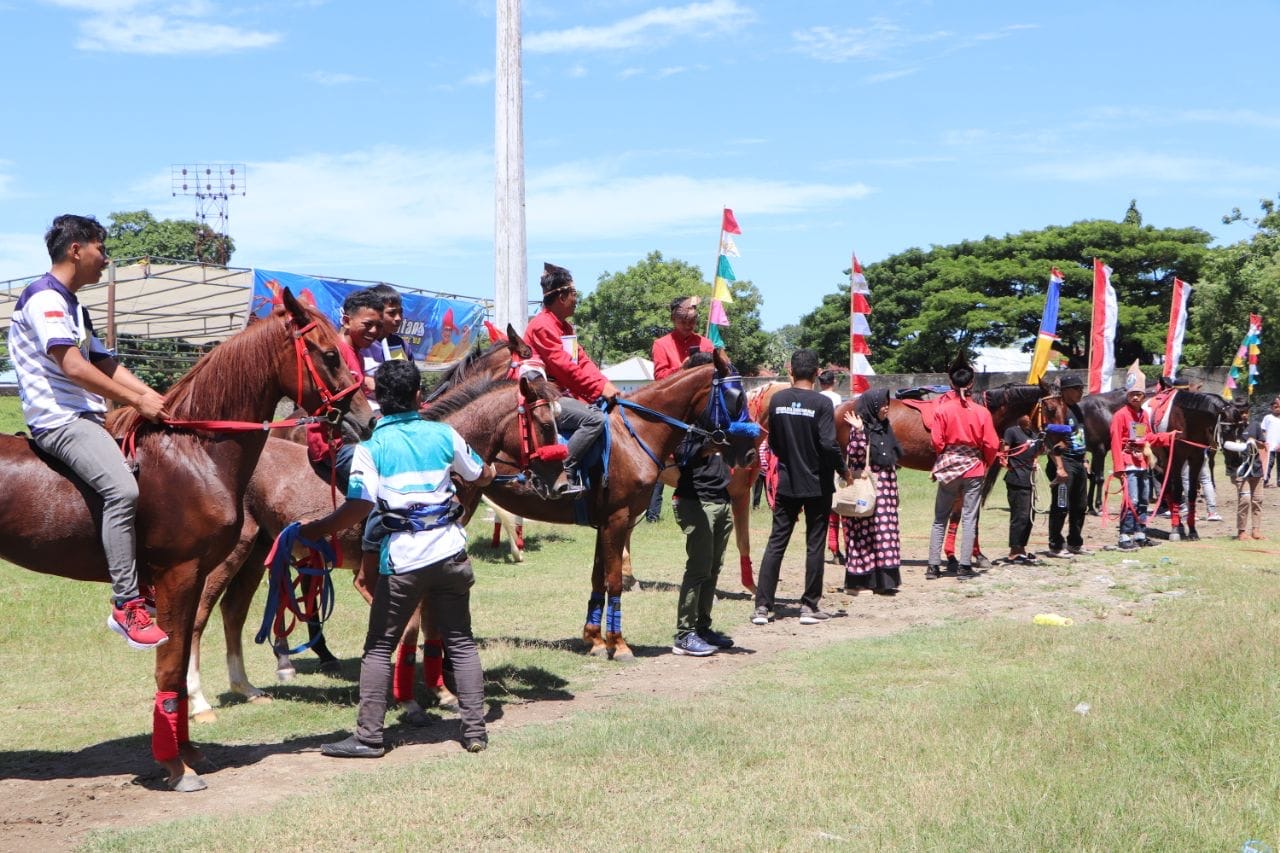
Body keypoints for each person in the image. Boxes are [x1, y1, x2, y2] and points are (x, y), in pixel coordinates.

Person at [303, 359, 496, 757]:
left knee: (378, 647)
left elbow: (359, 506)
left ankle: (369, 737)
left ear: (378, 402)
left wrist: (315, 531)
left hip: (405, 562)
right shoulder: (445, 434)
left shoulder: (370, 449)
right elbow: (479, 475)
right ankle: (474, 731)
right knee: (461, 641)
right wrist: (492, 472)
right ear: (419, 397)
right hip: (450, 555)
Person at [8, 214, 172, 649]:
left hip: (88, 416)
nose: (106, 259)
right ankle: (127, 604)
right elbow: (73, 366)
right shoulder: (45, 299)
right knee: (123, 492)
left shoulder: (74, 304)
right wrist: (136, 402)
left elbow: (104, 362)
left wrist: (156, 396)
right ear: (76, 249)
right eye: (101, 248)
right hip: (61, 421)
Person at [751, 349, 848, 625]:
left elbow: (775, 444)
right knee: (814, 545)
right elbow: (828, 444)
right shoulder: (822, 403)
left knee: (776, 543)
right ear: (817, 373)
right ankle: (809, 607)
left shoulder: (778, 400)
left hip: (787, 481)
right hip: (817, 483)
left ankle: (762, 606)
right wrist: (843, 470)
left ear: (790, 371)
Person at [523, 263, 621, 495]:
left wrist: (606, 385)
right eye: (574, 294)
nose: (577, 299)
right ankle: (564, 469)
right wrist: (599, 389)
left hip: (559, 395)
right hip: (542, 399)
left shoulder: (564, 327)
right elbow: (566, 368)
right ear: (561, 296)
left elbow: (583, 361)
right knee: (594, 420)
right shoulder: (542, 326)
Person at [664, 354, 735, 655]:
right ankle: (684, 634)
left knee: (713, 569)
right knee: (698, 568)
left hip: (721, 499)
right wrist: (707, 447)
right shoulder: (683, 419)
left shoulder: (717, 414)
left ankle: (703, 628)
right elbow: (679, 455)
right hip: (696, 500)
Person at [926, 353, 999, 580]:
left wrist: (949, 456)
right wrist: (984, 460)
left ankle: (933, 567)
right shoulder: (982, 412)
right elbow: (992, 444)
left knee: (940, 517)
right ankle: (965, 567)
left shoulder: (942, 410)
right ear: (971, 384)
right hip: (974, 468)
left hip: (949, 467)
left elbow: (936, 442)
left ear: (950, 383)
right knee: (969, 517)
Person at [647, 295, 716, 521]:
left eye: (692, 321)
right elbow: (659, 380)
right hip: (672, 411)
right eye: (683, 321)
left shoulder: (706, 344)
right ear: (673, 319)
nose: (688, 326)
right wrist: (682, 368)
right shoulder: (661, 344)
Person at [306, 289, 382, 491]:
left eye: (378, 326)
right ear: (347, 321)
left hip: (353, 438)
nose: (374, 331)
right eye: (368, 324)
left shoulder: (357, 353)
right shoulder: (336, 354)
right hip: (334, 443)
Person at [840, 389, 903, 593]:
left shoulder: (884, 427)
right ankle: (859, 581)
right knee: (863, 534)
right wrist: (859, 432)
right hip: (867, 488)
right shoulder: (860, 427)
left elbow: (891, 457)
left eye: (887, 404)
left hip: (885, 490)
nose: (886, 407)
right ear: (872, 406)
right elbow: (856, 457)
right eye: (882, 404)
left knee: (885, 532)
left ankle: (884, 581)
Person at [1045, 373, 1091, 557]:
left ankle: (1075, 542)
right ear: (1064, 391)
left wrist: (1085, 459)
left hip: (1079, 462)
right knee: (1061, 504)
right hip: (1064, 463)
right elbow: (1050, 442)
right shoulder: (1057, 411)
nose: (1081, 392)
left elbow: (1080, 435)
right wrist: (1059, 467)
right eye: (1077, 389)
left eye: (1082, 389)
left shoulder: (1078, 409)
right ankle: (1056, 544)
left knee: (1080, 506)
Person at [1110, 362, 1155, 550]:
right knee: (1132, 499)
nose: (1136, 397)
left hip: (1142, 463)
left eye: (1139, 394)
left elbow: (1148, 436)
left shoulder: (1143, 415)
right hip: (1128, 463)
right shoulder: (1120, 415)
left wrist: (1168, 437)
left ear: (1143, 396)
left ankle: (1140, 533)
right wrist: (1119, 467)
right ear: (1127, 396)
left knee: (1143, 499)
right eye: (1132, 394)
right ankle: (1125, 535)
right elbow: (1115, 440)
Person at [358, 284, 411, 416]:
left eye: (401, 312)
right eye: (392, 313)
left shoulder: (402, 345)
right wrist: (365, 381)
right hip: (365, 412)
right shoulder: (359, 343)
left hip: (400, 412)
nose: (398, 318)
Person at [1001, 414, 1038, 564]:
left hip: (1029, 479)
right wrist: (1007, 463)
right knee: (1019, 515)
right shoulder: (1012, 431)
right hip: (1016, 478)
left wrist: (1035, 461)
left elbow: (1036, 452)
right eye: (1025, 415)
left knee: (1030, 515)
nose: (1027, 418)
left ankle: (1021, 548)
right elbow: (1005, 452)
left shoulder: (1034, 435)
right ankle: (1014, 550)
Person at [1230, 403, 1265, 540]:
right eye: (1241, 412)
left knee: (1258, 500)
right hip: (1240, 469)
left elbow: (1263, 444)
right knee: (1244, 500)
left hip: (1256, 467)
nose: (1244, 414)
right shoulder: (1231, 428)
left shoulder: (1255, 425)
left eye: (1246, 412)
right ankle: (1241, 531)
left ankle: (1256, 530)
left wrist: (1254, 441)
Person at [1261, 397, 1280, 487]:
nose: (1277, 409)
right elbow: (1263, 430)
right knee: (1269, 463)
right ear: (1271, 408)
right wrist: (1264, 442)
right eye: (1275, 407)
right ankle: (1265, 481)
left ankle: (1279, 481)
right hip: (1270, 445)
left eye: (1278, 407)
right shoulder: (1267, 418)